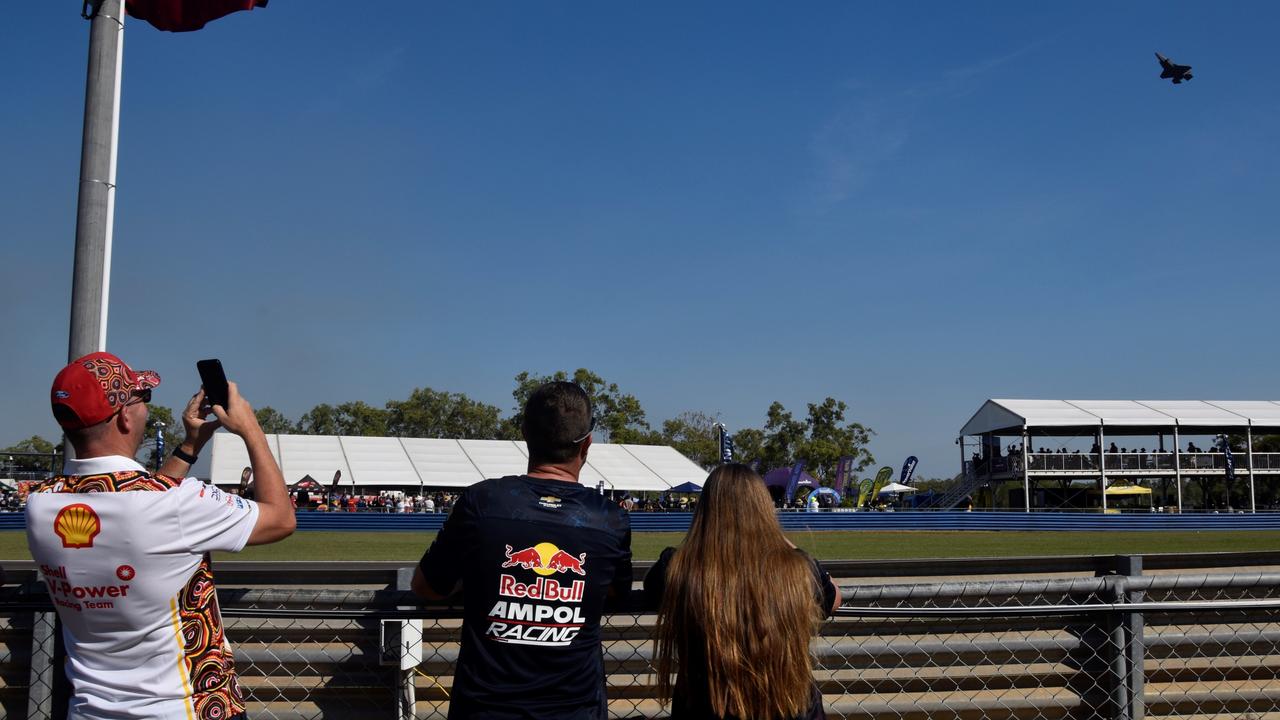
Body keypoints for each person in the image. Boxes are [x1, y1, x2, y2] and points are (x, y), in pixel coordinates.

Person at [25, 352, 296, 720]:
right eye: (143, 398)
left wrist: (189, 448)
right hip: (188, 706)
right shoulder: (175, 502)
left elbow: (140, 506)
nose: (147, 408)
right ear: (124, 416)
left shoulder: (41, 504)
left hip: (90, 709)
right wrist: (251, 429)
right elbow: (280, 519)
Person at [412, 381, 633, 719]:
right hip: (574, 709)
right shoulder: (609, 519)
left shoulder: (481, 501)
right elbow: (616, 593)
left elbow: (427, 587)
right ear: (587, 444)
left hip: (485, 708)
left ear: (525, 434)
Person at [645, 464, 839, 720]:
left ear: (704, 510)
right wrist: (776, 535)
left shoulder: (676, 566)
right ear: (765, 509)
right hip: (789, 707)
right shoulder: (796, 567)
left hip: (706, 709)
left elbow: (651, 588)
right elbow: (833, 598)